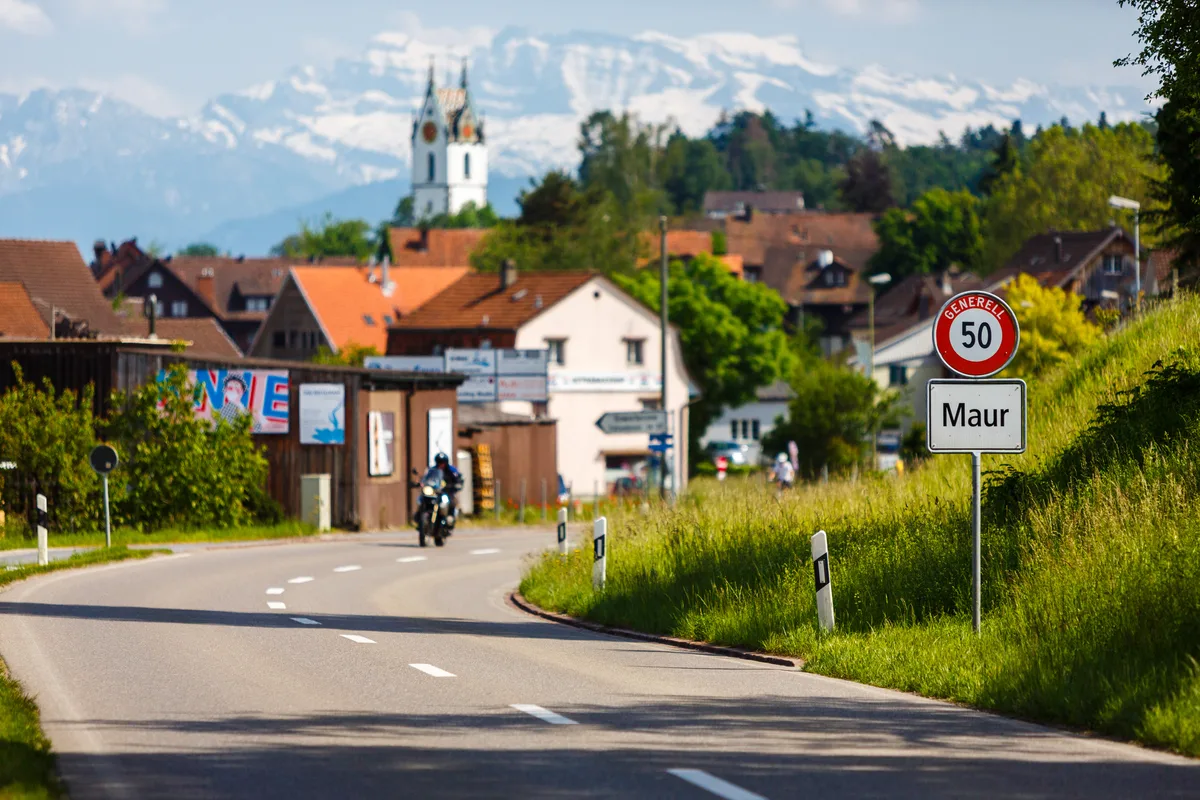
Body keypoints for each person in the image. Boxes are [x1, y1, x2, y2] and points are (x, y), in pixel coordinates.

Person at [433, 452, 464, 526]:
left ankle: (450, 516)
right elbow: (427, 477)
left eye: (442, 463)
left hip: (448, 491)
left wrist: (457, 484)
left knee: (452, 501)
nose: (441, 465)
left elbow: (458, 478)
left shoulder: (452, 469)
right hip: (436, 492)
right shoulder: (433, 470)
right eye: (439, 463)